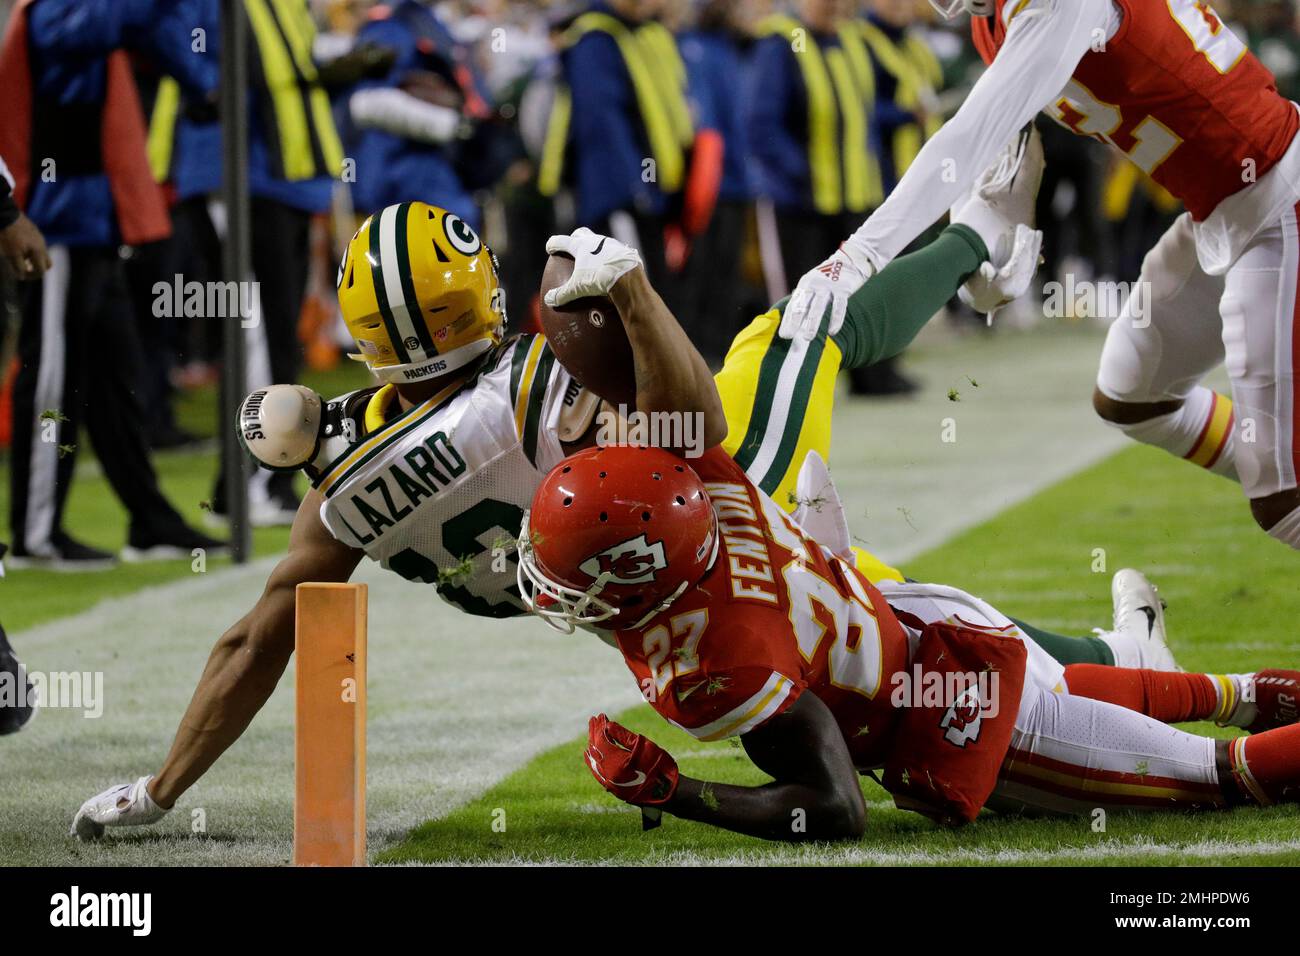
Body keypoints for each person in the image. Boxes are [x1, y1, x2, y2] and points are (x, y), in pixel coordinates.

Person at [69, 170, 1162, 839]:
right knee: (796, 325)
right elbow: (697, 436)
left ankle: (1122, 652)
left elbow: (258, 636)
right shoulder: (535, 381)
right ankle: (982, 238)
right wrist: (631, 292)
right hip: (700, 513)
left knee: (893, 613)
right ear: (476, 295)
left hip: (620, 594)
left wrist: (165, 786)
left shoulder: (350, 477)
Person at [517, 443, 1300, 840]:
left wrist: (676, 794)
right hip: (926, 617)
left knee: (1218, 777)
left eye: (568, 572)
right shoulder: (706, 482)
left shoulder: (720, 664)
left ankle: (1248, 717)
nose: (553, 590)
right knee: (1068, 695)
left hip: (951, 709)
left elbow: (835, 809)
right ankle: (1250, 693)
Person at [780, 0, 1300, 550]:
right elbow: (996, 154)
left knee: (1282, 499)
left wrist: (858, 255)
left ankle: (1282, 457)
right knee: (1133, 398)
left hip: (1277, 194)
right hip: (1219, 209)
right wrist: (978, 245)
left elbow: (967, 136)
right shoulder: (994, 18)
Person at [0, 0, 226, 568]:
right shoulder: (54, 10)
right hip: (56, 220)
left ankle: (148, 518)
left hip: (100, 221)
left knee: (117, 380)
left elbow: (194, 74)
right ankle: (34, 532)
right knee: (51, 377)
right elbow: (99, 26)